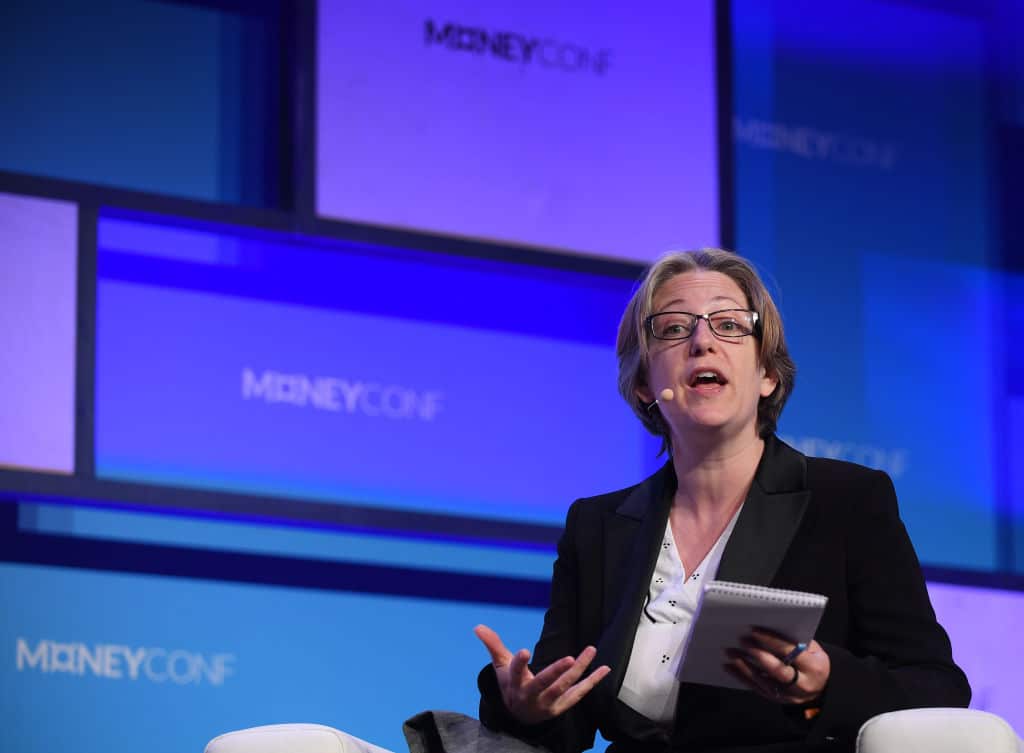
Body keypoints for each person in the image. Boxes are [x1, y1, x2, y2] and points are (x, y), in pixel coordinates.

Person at [474, 249, 970, 753]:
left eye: (730, 324)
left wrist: (826, 684)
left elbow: (936, 688)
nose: (702, 341)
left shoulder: (846, 501)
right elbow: (568, 716)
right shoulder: (596, 524)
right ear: (645, 383)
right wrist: (526, 708)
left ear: (767, 375)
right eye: (672, 329)